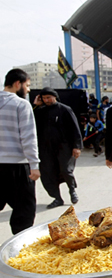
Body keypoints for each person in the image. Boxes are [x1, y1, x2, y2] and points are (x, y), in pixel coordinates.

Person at [0, 69, 40, 234]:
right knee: (24, 211)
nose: (29, 90)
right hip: (17, 166)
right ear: (18, 84)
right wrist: (34, 164)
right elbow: (28, 137)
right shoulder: (21, 104)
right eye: (27, 85)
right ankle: (18, 253)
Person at [33, 87, 82, 208]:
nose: (46, 100)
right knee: (48, 173)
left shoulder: (65, 110)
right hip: (46, 149)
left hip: (64, 147)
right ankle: (57, 198)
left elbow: (75, 129)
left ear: (55, 96)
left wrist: (77, 146)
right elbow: (30, 122)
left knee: (66, 169)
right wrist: (35, 106)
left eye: (48, 97)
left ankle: (72, 190)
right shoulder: (40, 111)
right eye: (44, 98)